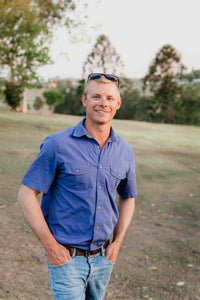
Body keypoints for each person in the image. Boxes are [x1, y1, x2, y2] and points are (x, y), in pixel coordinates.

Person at [17, 73, 137, 300]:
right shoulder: (57, 144)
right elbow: (26, 195)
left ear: (118, 103)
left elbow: (127, 197)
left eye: (110, 98)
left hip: (104, 258)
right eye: (96, 96)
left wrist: (117, 243)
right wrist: (51, 247)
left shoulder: (125, 151)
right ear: (84, 100)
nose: (103, 103)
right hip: (66, 260)